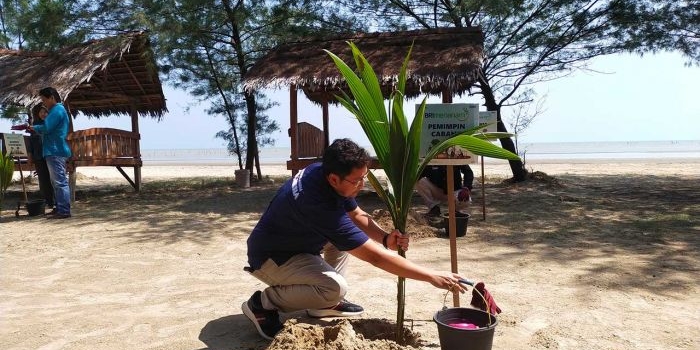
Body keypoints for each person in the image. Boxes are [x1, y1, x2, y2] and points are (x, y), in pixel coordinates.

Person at [242, 138, 469, 340]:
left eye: (365, 177)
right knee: (335, 288)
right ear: (334, 179)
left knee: (342, 241)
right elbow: (375, 258)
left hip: (295, 245)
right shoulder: (318, 202)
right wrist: (431, 276)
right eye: (357, 180)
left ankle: (322, 305)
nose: (362, 184)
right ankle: (263, 303)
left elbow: (356, 214)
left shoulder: (322, 172)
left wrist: (386, 238)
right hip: (271, 259)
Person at [28, 87, 72, 219]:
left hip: (55, 149)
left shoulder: (57, 110)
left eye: (44, 100)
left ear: (52, 97)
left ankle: (63, 210)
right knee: (57, 181)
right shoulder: (58, 110)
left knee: (59, 182)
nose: (44, 103)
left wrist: (33, 127)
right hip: (54, 149)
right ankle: (60, 207)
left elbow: (47, 127)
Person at [27, 104, 55, 212]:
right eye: (41, 112)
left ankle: (57, 202)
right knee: (44, 181)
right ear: (38, 114)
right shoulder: (34, 126)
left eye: (45, 112)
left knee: (53, 179)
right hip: (39, 157)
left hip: (51, 156)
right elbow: (30, 144)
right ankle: (49, 202)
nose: (43, 114)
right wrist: (30, 157)